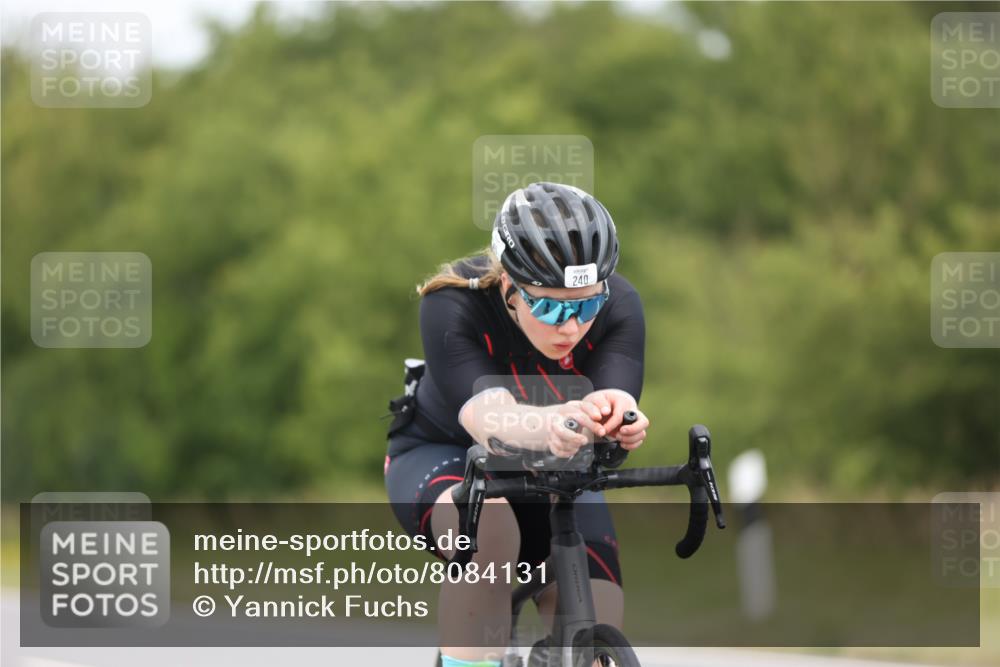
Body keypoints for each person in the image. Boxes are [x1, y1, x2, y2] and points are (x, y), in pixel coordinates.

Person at [384, 182, 649, 667]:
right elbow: (488, 418)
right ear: (508, 286)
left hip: (557, 464)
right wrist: (550, 422)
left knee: (596, 616)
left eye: (586, 305)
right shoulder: (452, 304)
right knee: (492, 530)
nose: (570, 327)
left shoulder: (621, 304)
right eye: (549, 306)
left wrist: (619, 418)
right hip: (444, 453)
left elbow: (616, 393)